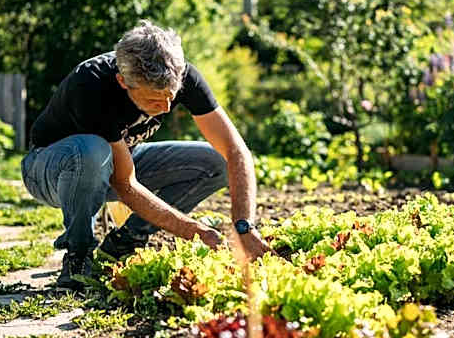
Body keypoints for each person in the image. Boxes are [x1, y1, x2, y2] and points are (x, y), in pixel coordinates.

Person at [21, 20, 271, 289]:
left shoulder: (183, 74)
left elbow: (235, 150)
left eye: (170, 97)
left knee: (217, 162)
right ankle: (78, 255)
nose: (164, 108)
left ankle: (125, 241)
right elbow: (125, 184)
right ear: (122, 81)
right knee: (93, 152)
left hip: (119, 158)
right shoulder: (90, 85)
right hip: (49, 168)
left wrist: (244, 226)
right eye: (154, 99)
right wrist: (193, 231)